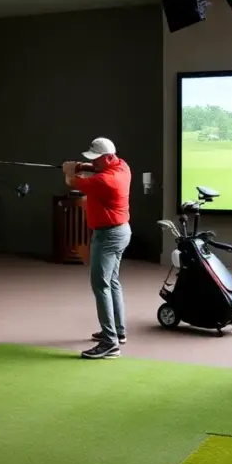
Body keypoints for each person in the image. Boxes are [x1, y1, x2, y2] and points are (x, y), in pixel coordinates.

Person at [62, 137, 132, 360]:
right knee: (112, 282)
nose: (94, 163)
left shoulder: (105, 181)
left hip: (108, 235)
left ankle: (110, 343)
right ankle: (118, 332)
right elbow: (92, 169)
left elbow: (72, 182)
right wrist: (81, 166)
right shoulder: (122, 166)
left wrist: (69, 170)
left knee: (100, 285)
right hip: (121, 231)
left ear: (108, 157)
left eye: (97, 159)